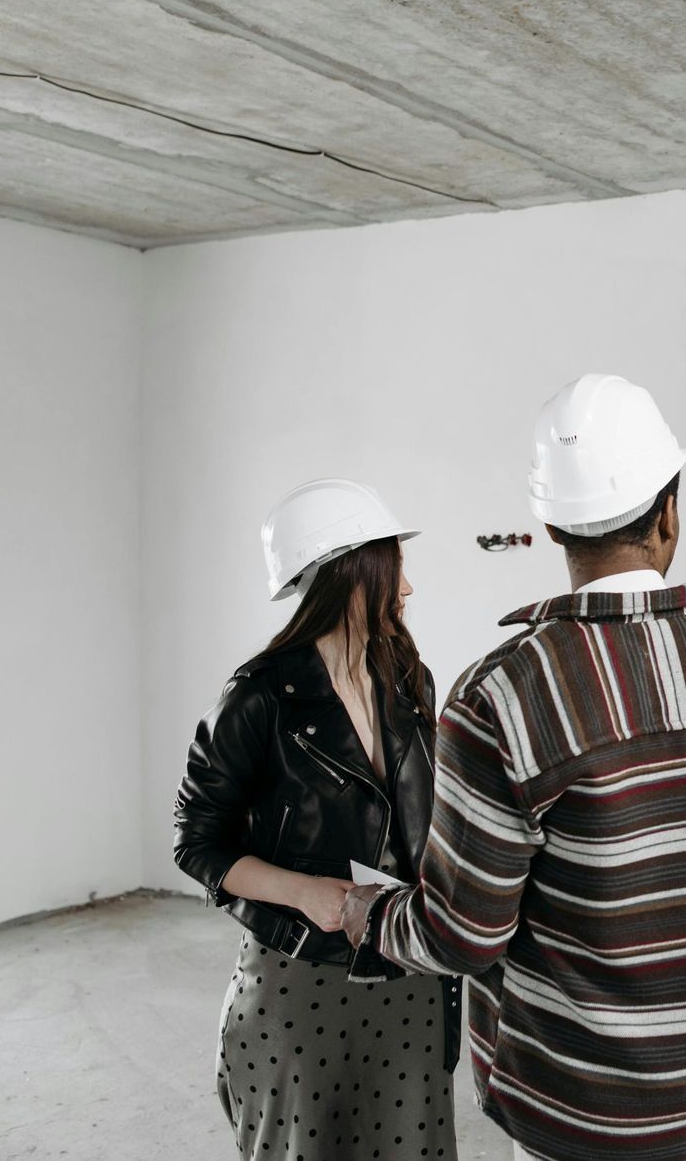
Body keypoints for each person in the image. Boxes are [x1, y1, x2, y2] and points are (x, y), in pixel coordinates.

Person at [339, 373, 686, 1161]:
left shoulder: (502, 696)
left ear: (551, 523)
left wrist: (368, 914)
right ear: (669, 513)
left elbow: (463, 937)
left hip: (576, 1114)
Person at [172, 478, 460, 1160]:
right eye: (395, 569)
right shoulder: (259, 697)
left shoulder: (410, 679)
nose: (408, 589)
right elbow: (195, 842)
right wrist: (305, 893)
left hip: (406, 969)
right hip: (301, 983)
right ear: (351, 573)